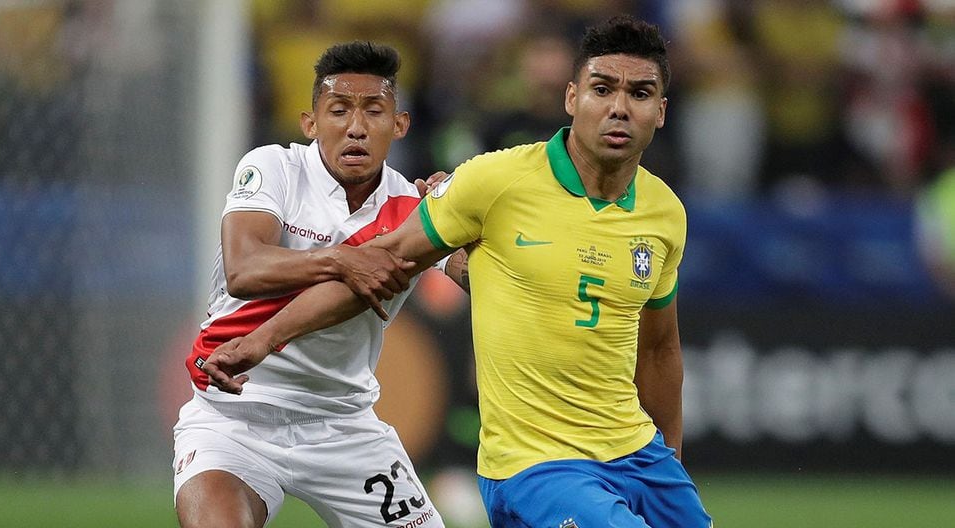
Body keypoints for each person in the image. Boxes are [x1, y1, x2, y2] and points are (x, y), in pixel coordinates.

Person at [204, 16, 712, 527]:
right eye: (602, 90)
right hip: (538, 463)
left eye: (639, 94)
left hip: (634, 452)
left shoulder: (665, 212)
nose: (619, 108)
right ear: (572, 97)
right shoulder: (491, 179)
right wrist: (264, 338)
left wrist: (667, 464)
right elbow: (375, 268)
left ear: (661, 111)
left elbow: (658, 349)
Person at [173, 41, 459, 528]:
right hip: (233, 417)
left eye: (374, 111)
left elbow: (472, 274)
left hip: (343, 427)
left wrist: (470, 215)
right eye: (339, 110)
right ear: (310, 123)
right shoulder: (274, 168)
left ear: (399, 125)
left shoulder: (414, 207)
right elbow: (244, 269)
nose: (356, 127)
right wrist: (343, 259)